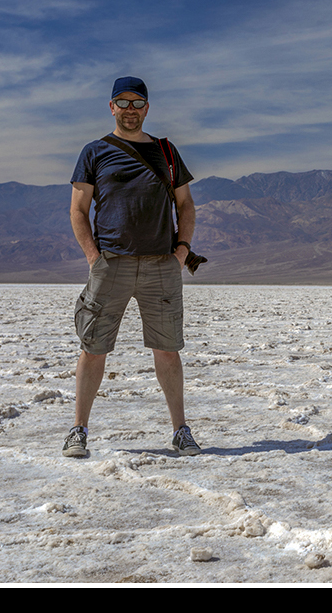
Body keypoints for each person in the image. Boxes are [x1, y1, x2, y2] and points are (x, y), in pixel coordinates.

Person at [64, 76, 201, 458]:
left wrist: (181, 251)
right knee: (94, 348)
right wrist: (94, 258)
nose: (129, 110)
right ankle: (78, 430)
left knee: (168, 350)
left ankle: (180, 430)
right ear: (111, 107)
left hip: (161, 266)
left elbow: (185, 205)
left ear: (146, 108)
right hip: (111, 264)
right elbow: (78, 209)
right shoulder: (95, 152)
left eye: (137, 102)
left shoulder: (166, 151)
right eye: (122, 102)